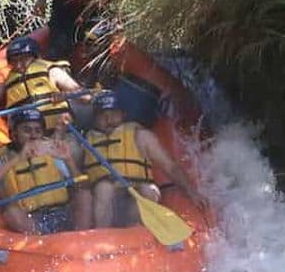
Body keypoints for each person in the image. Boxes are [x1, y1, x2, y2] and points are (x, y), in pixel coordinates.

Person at [83, 90, 208, 228]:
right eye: (103, 116)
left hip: (133, 199)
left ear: (123, 115)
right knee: (104, 188)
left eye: (113, 114)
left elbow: (170, 167)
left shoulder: (140, 136)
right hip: (104, 202)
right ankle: (102, 235)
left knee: (149, 190)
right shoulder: (86, 140)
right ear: (94, 120)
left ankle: (135, 232)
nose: (109, 120)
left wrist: (192, 192)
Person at [0, 108, 92, 234]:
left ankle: (82, 237)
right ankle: (40, 246)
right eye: (27, 130)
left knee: (84, 195)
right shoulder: (3, 161)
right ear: (14, 134)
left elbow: (83, 186)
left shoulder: (52, 155)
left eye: (37, 131)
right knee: (11, 212)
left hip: (63, 212)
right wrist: (18, 158)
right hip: (32, 220)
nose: (33, 135)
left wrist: (69, 160)